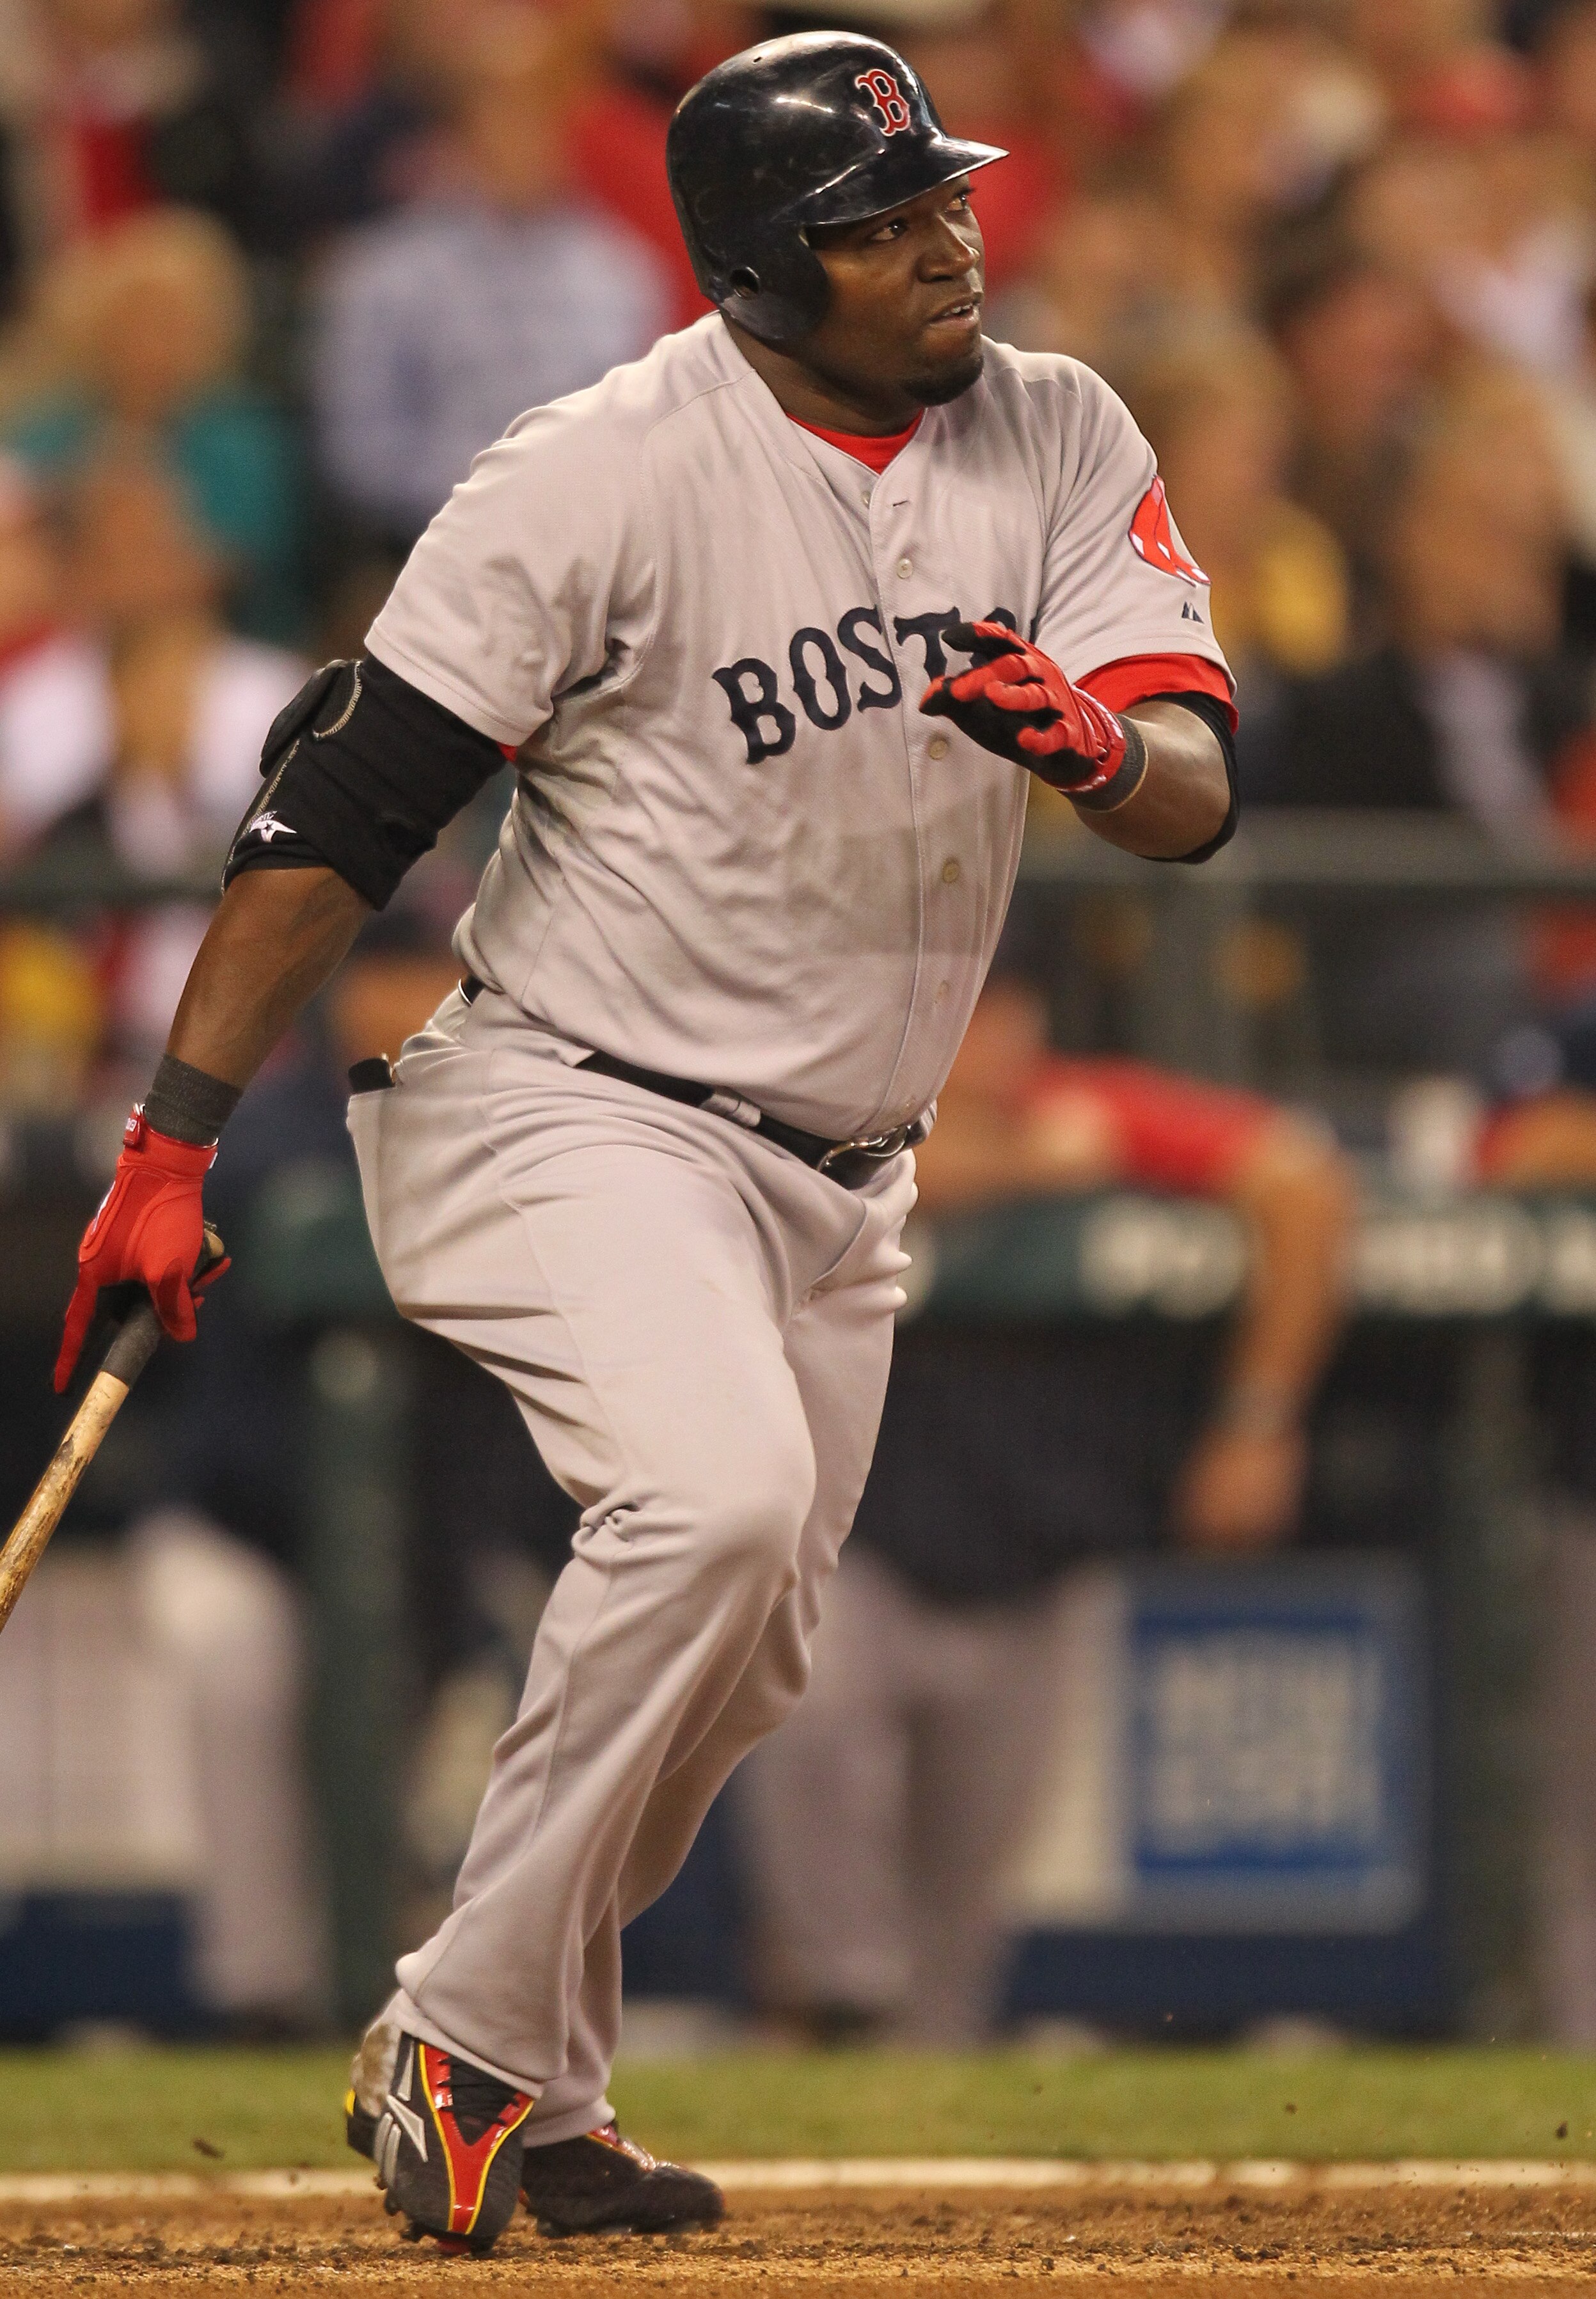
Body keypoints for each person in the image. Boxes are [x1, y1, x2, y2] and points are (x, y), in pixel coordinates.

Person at [49, 31, 1235, 2257]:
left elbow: (1192, 781)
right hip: (575, 1101)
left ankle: (543, 2091)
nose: (942, 243)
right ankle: (458, 2032)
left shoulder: (1057, 425)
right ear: (760, 270)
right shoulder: (596, 467)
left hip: (844, 1169)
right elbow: (342, 812)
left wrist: (1092, 741)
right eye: (877, 226)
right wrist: (173, 1138)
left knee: (753, 1639)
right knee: (714, 1503)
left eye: (942, 199)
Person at [736, 961, 1352, 2044]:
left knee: (958, 1931)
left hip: (1036, 1559)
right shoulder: (831, 1098)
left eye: (1003, 1008)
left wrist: (1258, 1420)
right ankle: (818, 2027)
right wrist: (1028, 1164)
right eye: (955, 1009)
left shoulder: (1095, 1102)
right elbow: (803, 1172)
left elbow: (1305, 1181)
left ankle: (918, 2154)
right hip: (847, 1551)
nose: (987, 1037)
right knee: (817, 1791)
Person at [312, 6, 670, 546]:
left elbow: (641, 434)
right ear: (456, 130)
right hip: (428, 544)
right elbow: (359, 451)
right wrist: (490, 500)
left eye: (535, 111)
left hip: (586, 543)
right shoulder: (382, 275)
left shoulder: (618, 272)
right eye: (498, 110)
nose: (519, 133)